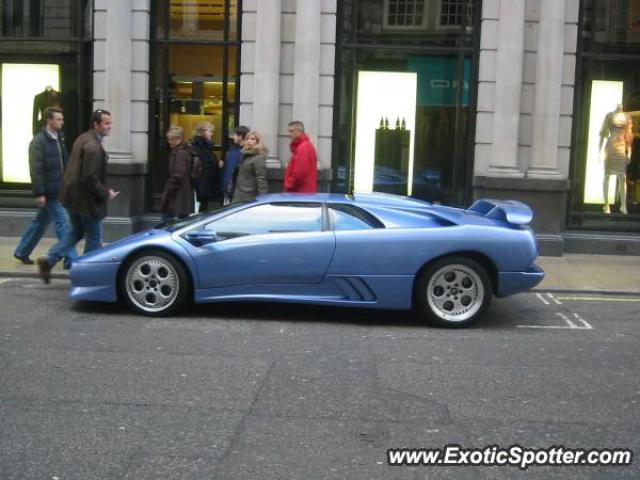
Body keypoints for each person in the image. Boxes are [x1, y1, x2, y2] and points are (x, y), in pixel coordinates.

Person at [37, 109, 119, 283]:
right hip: (86, 201)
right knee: (95, 237)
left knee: (76, 232)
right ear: (96, 125)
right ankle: (86, 275)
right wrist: (106, 194)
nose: (109, 126)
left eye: (110, 123)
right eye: (106, 123)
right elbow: (90, 177)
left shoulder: (83, 138)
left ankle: (49, 259)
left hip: (72, 198)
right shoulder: (93, 147)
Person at [14, 107, 77, 268]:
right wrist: (40, 193)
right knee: (63, 223)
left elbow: (66, 162)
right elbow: (36, 170)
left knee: (40, 222)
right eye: (58, 119)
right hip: (50, 191)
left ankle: (22, 251)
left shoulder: (60, 138)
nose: (62, 122)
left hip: (60, 188)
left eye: (62, 119)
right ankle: (71, 260)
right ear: (49, 120)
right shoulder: (38, 142)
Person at [600, 106, 633, 214]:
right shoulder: (609, 115)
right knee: (607, 175)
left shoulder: (627, 117)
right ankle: (606, 205)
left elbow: (628, 136)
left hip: (621, 147)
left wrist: (629, 152)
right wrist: (599, 151)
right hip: (610, 147)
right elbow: (603, 134)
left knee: (622, 176)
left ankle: (623, 206)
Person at [160, 126, 194, 221]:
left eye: (171, 139)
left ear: (178, 139)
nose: (169, 142)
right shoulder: (183, 151)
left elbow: (178, 175)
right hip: (181, 195)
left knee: (168, 224)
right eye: (169, 139)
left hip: (177, 197)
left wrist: (170, 190)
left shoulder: (180, 153)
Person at [191, 121, 222, 212]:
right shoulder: (198, 147)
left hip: (206, 185)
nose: (212, 134)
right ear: (203, 132)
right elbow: (205, 165)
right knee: (201, 210)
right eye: (210, 131)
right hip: (202, 186)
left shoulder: (206, 147)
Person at [231, 130, 268, 203]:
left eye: (252, 139)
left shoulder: (258, 157)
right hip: (238, 192)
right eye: (247, 139)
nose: (249, 141)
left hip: (250, 194)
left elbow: (261, 178)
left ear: (257, 142)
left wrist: (264, 198)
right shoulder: (243, 154)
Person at [284, 120, 318, 193]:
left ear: (299, 132)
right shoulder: (305, 146)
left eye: (291, 131)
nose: (289, 134)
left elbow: (299, 172)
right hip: (304, 192)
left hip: (300, 193)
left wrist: (289, 185)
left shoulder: (302, 148)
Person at [221, 125, 250, 205]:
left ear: (240, 136)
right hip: (231, 188)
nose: (233, 137)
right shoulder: (233, 150)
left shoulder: (243, 152)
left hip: (236, 188)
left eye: (234, 135)